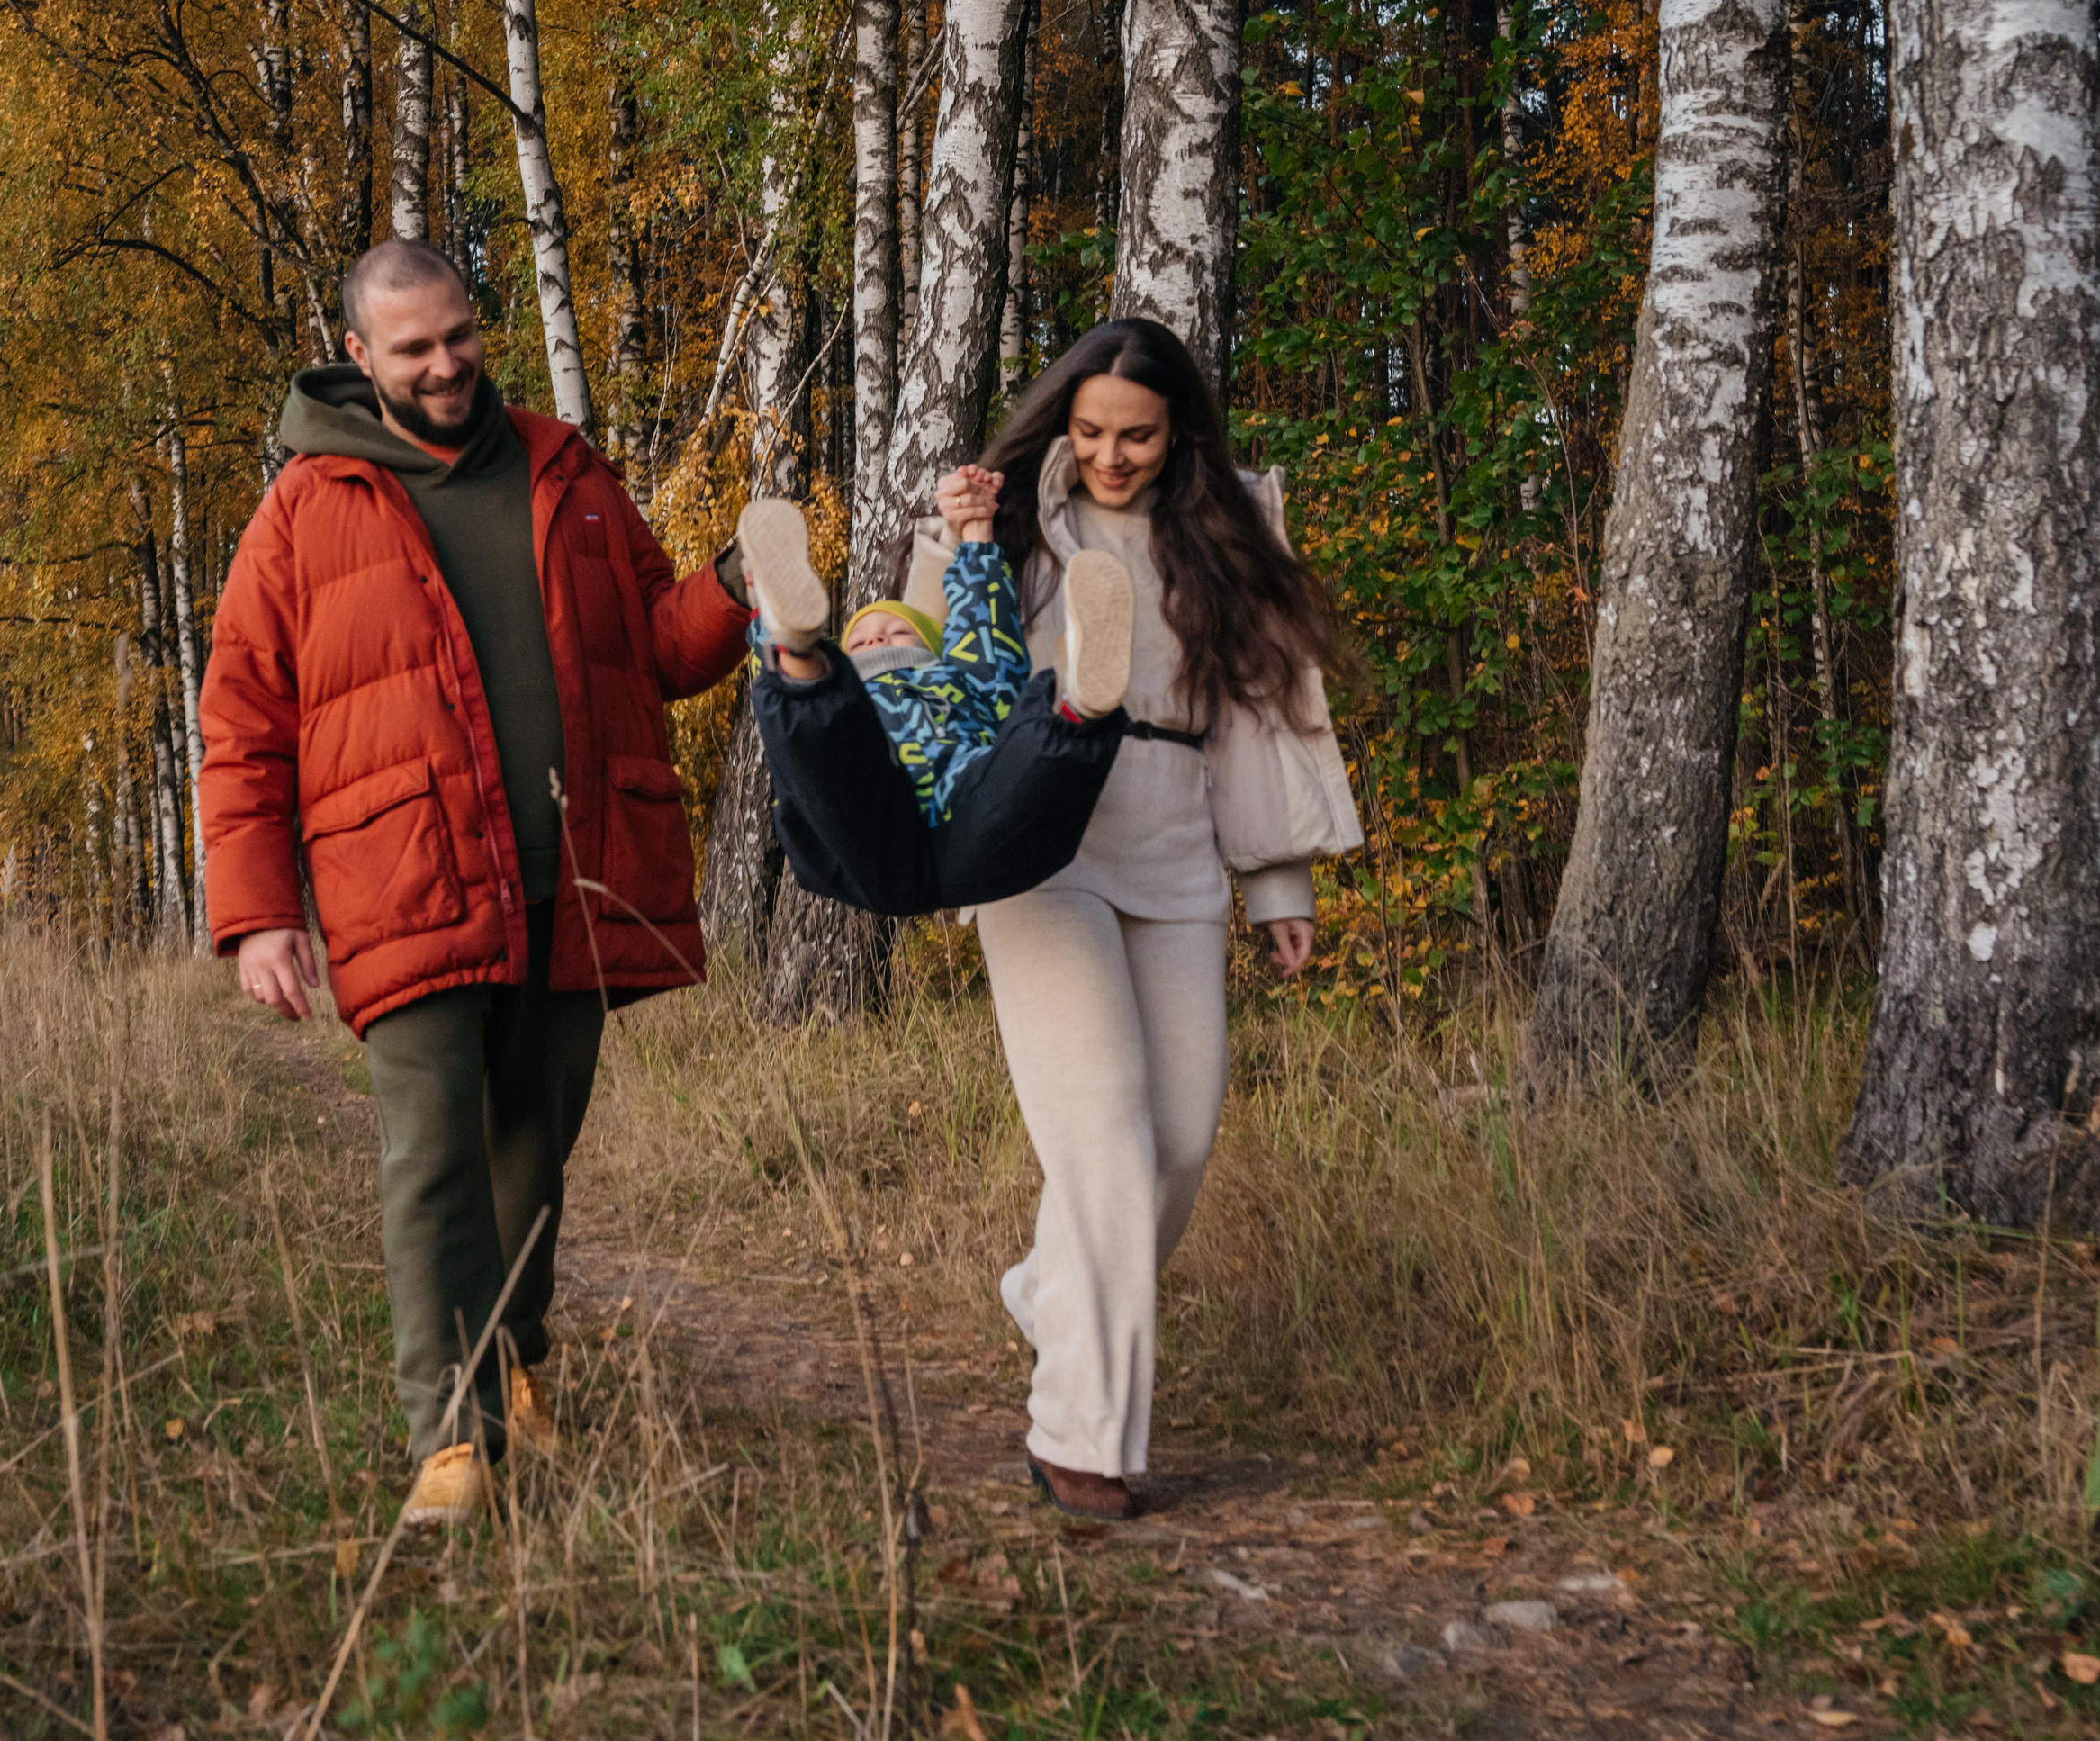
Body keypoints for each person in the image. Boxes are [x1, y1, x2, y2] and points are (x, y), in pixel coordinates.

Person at [197, 239, 753, 1526]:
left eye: (459, 334)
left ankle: (517, 1357)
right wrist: (259, 911)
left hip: (575, 873)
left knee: (531, 1155)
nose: (446, 364)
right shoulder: (305, 508)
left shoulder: (570, 470)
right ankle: (449, 1435)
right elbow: (242, 720)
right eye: (413, 348)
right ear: (359, 356)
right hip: (402, 876)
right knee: (433, 1157)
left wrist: (733, 590)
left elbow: (658, 651)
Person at [899, 319, 1363, 1521]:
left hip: (1177, 836)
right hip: (1043, 836)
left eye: (1139, 436)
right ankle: (1081, 1441)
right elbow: (928, 670)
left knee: (1180, 1142)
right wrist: (958, 545)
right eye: (1092, 432)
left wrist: (1280, 885)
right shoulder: (1001, 518)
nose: (1112, 455)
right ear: (1065, 421)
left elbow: (1268, 714)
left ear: (1179, 434)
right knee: (1101, 1138)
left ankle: (1056, 1290)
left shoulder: (1228, 530)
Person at [729, 493, 1136, 915]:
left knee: (1027, 776)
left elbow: (985, 631)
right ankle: (792, 639)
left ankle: (1078, 700)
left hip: (968, 804)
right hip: (870, 820)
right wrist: (764, 616)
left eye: (896, 631)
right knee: (822, 739)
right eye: (860, 640)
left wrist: (979, 537)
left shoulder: (955, 678)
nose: (876, 639)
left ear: (934, 646)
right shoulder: (849, 697)